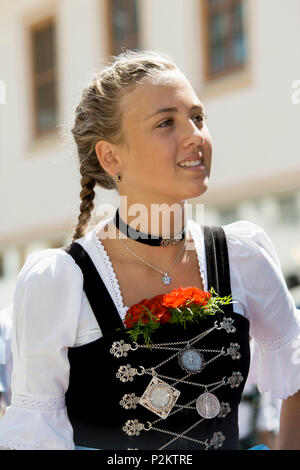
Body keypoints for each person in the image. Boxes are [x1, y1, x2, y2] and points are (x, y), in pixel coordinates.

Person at [0, 49, 299, 450]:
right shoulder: (59, 283)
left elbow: (296, 376)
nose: (195, 135)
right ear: (110, 156)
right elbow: (36, 437)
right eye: (166, 123)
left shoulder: (243, 256)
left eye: (198, 117)